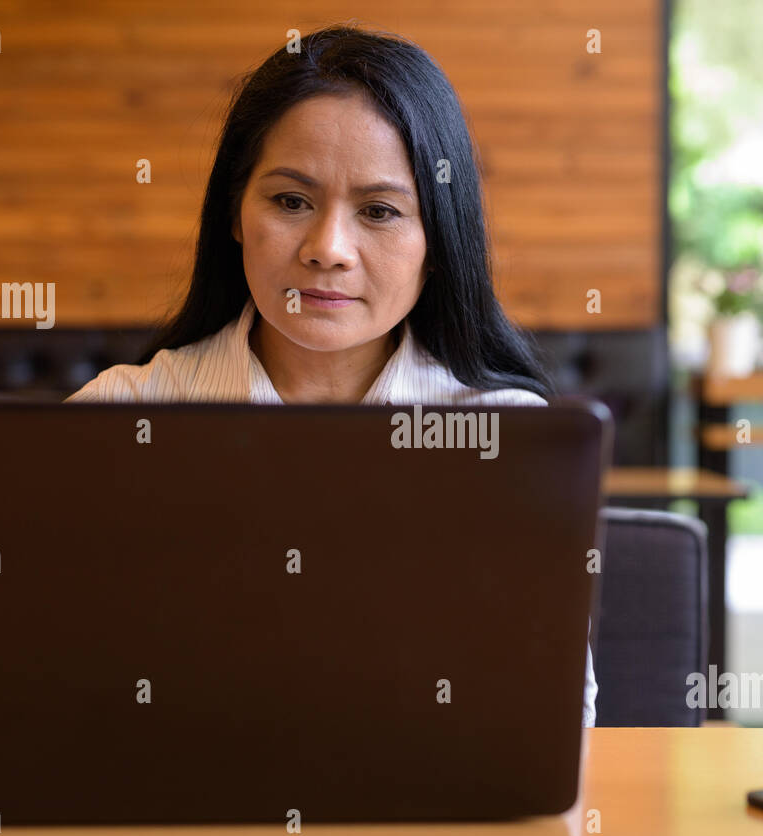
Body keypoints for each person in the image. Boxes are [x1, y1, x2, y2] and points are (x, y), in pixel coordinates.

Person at [66, 23, 597, 726]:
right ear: (235, 211)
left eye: (379, 212)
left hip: (425, 821)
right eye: (290, 201)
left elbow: (556, 711)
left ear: (436, 243)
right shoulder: (110, 421)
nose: (328, 250)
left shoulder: (505, 439)